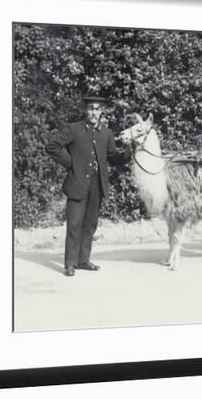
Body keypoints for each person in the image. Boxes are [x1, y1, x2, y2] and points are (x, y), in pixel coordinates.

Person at [46, 96, 128, 277]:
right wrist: (71, 163)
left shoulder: (106, 133)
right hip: (77, 184)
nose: (94, 112)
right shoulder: (74, 129)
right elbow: (52, 146)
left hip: (97, 186)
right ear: (86, 110)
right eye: (91, 108)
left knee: (90, 224)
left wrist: (129, 153)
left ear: (101, 112)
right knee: (74, 224)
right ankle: (70, 263)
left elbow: (113, 157)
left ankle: (83, 260)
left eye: (97, 109)